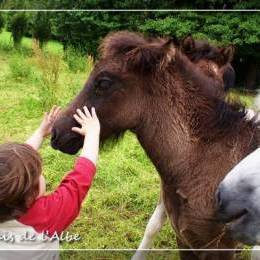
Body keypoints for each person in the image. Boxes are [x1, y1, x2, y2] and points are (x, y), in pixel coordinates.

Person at [0, 105, 100, 260]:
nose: (42, 174)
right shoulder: (46, 217)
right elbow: (80, 179)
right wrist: (93, 134)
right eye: (39, 174)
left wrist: (40, 133)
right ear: (30, 197)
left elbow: (13, 168)